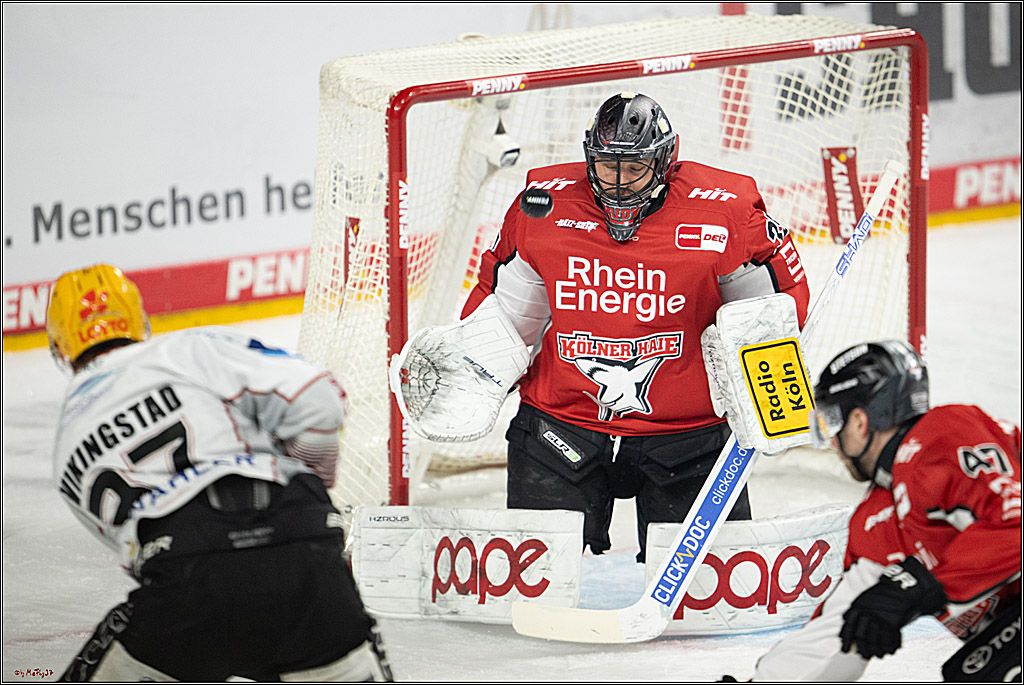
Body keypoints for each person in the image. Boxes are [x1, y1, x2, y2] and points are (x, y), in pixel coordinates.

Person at [460, 92, 811, 560]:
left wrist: (773, 400)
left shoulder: (726, 213)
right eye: (607, 166)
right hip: (561, 427)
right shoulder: (541, 208)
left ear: (664, 161)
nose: (619, 182)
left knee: (704, 594)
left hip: (688, 437)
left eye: (634, 167)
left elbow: (771, 317)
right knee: (539, 585)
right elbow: (506, 312)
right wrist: (470, 371)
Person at [47, 264, 393, 682]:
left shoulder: (65, 448)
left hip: (185, 587)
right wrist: (312, 486)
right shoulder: (186, 350)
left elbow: (135, 551)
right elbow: (317, 398)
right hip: (301, 552)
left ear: (59, 346)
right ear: (139, 319)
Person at [738, 340, 1022, 682]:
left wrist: (926, 586)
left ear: (859, 421)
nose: (830, 441)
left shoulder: (946, 433)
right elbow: (842, 625)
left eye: (831, 421)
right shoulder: (876, 518)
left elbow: (1015, 525)